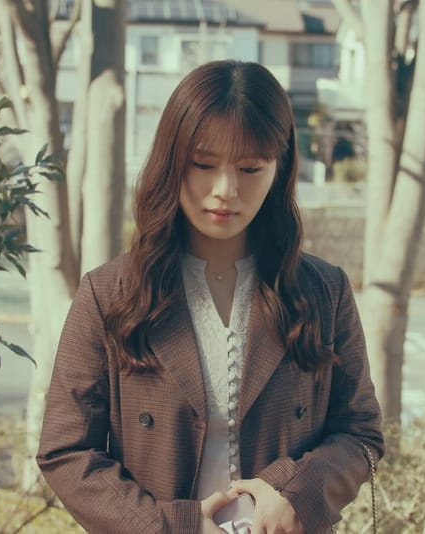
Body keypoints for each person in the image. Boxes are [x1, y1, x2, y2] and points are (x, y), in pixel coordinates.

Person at [36, 60, 384, 534]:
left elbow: (360, 432)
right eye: (203, 164)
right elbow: (66, 450)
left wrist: (296, 493)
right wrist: (172, 526)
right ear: (172, 160)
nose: (226, 190)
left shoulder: (324, 291)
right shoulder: (110, 294)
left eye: (250, 168)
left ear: (279, 167)